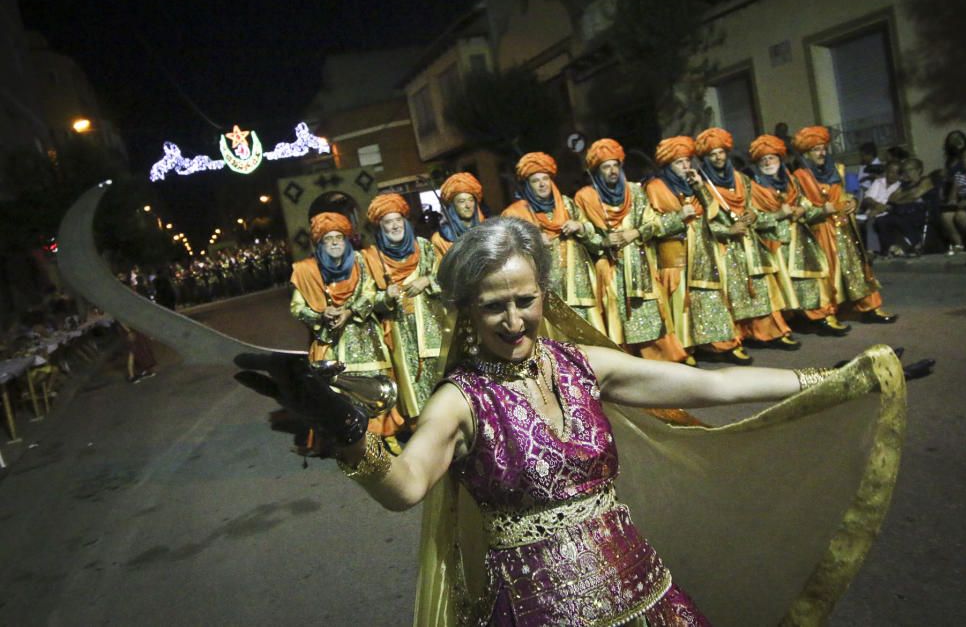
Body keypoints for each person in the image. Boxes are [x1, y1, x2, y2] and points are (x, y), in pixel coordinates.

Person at [237, 217, 912, 625]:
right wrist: (351, 431)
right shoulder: (461, 400)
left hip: (647, 595)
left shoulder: (585, 364)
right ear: (466, 313)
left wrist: (837, 378)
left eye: (525, 301)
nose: (512, 321)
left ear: (543, 295)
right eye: (493, 307)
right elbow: (406, 484)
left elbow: (713, 383)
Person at [289, 211, 403, 444]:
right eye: (328, 238)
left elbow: (371, 293)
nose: (334, 243)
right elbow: (297, 307)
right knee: (337, 389)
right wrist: (321, 314)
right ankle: (350, 437)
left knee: (375, 384)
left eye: (339, 237)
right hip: (331, 343)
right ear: (320, 243)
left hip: (366, 338)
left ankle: (383, 436)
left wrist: (351, 311)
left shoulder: (360, 261)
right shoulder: (307, 270)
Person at [573, 138, 691, 363]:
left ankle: (664, 359)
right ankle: (626, 365)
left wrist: (633, 234)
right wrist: (603, 241)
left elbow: (654, 223)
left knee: (649, 313)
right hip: (610, 268)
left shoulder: (635, 191)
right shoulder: (585, 197)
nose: (612, 171)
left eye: (615, 165)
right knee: (616, 317)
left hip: (640, 264)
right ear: (597, 171)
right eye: (606, 167)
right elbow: (585, 234)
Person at [695, 128, 800, 349]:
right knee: (733, 292)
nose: (718, 157)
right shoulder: (703, 185)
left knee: (761, 288)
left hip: (750, 243)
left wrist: (753, 215)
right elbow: (705, 222)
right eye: (712, 154)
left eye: (721, 152)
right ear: (706, 157)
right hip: (725, 247)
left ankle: (770, 332)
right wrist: (729, 230)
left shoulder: (741, 178)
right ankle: (740, 335)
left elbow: (755, 208)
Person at [645, 136, 747, 361]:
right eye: (679, 163)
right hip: (676, 254)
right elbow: (650, 226)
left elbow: (713, 213)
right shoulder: (655, 187)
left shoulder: (695, 184)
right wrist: (677, 218)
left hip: (703, 251)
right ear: (668, 165)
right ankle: (686, 349)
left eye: (687, 161)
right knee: (681, 304)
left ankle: (720, 345)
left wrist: (700, 188)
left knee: (709, 298)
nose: (686, 167)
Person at [792, 126, 898, 324]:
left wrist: (852, 202)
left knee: (858, 268)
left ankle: (870, 308)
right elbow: (799, 208)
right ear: (807, 153)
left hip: (844, 227)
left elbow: (845, 194)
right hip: (820, 230)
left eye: (823, 148)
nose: (821, 153)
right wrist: (821, 211)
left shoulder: (836, 169)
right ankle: (827, 314)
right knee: (828, 273)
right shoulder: (799, 176)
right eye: (816, 149)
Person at [748, 134, 849, 336]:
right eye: (763, 160)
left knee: (811, 280)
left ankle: (821, 317)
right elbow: (753, 219)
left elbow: (806, 204)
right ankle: (791, 321)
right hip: (774, 243)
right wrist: (778, 215)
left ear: (780, 159)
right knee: (781, 287)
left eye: (772, 158)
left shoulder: (792, 181)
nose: (768, 162)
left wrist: (806, 210)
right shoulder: (754, 188)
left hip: (800, 239)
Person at [362, 194, 448, 423]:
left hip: (431, 327)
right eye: (388, 222)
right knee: (410, 382)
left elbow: (446, 276)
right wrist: (385, 297)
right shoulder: (372, 258)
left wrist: (427, 280)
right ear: (380, 227)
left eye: (397, 220)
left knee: (441, 376)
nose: (394, 226)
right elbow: (366, 297)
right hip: (399, 333)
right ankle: (421, 429)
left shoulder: (425, 246)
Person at [502, 152, 605, 332]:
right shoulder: (516, 214)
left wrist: (580, 227)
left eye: (545, 178)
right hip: (546, 293)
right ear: (527, 185)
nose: (542, 184)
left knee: (591, 338)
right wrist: (531, 242)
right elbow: (508, 256)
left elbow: (598, 241)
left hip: (578, 287)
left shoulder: (567, 205)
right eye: (535, 180)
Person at [875, 157, 935, 257]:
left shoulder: (925, 180)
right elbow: (892, 197)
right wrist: (906, 197)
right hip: (903, 211)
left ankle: (915, 242)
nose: (906, 173)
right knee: (881, 220)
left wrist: (902, 198)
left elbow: (914, 195)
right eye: (905, 170)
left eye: (909, 170)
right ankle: (890, 248)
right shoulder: (904, 184)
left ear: (919, 170)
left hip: (920, 212)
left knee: (898, 219)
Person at [431, 172, 486, 259]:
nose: (468, 205)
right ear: (452, 206)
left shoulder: (488, 230)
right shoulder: (439, 240)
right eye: (462, 201)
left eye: (471, 200)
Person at [857, 161, 903, 254]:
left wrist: (877, 210)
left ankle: (872, 250)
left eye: (896, 173)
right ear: (886, 171)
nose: (893, 175)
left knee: (872, 220)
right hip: (871, 211)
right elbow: (867, 199)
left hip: (886, 213)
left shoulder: (899, 186)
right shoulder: (878, 182)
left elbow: (891, 205)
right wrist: (877, 206)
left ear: (899, 175)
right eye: (891, 172)